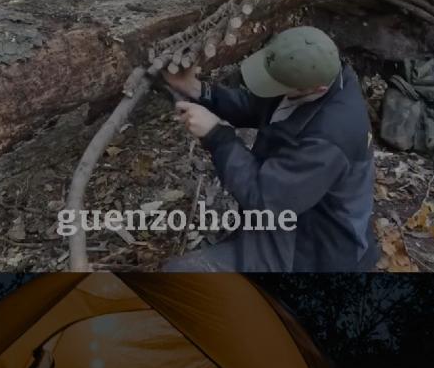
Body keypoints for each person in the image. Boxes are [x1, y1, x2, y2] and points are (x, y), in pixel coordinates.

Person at [161, 26, 377, 273]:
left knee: (179, 275)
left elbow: (263, 197)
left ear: (317, 90)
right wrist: (199, 90)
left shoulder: (330, 138)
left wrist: (216, 135)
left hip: (311, 247)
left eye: (278, 85)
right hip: (292, 207)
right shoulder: (314, 75)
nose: (272, 88)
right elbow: (256, 105)